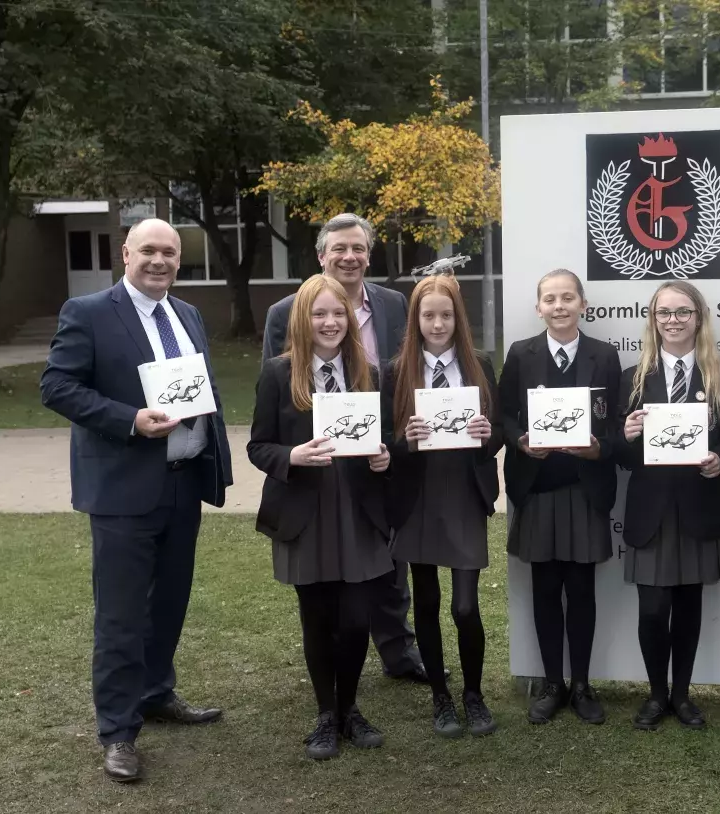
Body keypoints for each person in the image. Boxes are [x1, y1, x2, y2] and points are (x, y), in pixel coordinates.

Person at [40, 219, 233, 782]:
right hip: (124, 488)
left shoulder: (187, 313)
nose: (159, 260)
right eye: (148, 250)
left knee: (169, 602)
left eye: (169, 252)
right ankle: (119, 731)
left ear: (180, 259)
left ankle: (155, 692)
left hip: (182, 483)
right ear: (125, 254)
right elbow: (57, 385)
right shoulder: (89, 312)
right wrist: (129, 420)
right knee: (122, 614)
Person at [261, 213, 428, 684]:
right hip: (316, 469)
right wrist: (296, 454)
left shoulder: (396, 303)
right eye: (339, 249)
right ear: (321, 256)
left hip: (381, 451)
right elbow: (277, 396)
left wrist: (395, 447)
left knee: (390, 563)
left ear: (369, 255)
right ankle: (333, 674)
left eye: (357, 248)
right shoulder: (285, 312)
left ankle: (398, 651)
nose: (349, 256)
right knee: (330, 584)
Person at [247, 275, 393, 760]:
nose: (330, 323)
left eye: (338, 314)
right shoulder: (277, 373)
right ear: (302, 320)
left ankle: (351, 708)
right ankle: (327, 714)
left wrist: (384, 458)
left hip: (358, 512)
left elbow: (389, 442)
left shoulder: (370, 371)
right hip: (305, 513)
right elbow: (258, 445)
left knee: (355, 621)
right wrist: (292, 456)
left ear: (349, 320)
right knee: (318, 620)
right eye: (319, 314)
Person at [499, 269, 622, 726]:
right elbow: (504, 414)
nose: (559, 306)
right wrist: (520, 441)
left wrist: (599, 448)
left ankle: (584, 683)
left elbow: (614, 426)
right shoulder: (521, 354)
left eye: (567, 298)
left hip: (584, 489)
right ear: (538, 308)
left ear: (582, 305)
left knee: (583, 591)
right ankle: (553, 683)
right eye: (550, 299)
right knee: (546, 590)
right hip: (538, 490)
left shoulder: (604, 356)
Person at [382, 273, 502, 737]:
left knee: (465, 608)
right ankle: (441, 698)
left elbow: (497, 432)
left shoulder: (479, 366)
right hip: (418, 497)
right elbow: (383, 442)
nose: (438, 323)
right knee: (427, 603)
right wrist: (404, 440)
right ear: (416, 319)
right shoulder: (396, 371)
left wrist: (487, 435)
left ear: (459, 319)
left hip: (462, 494)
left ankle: (474, 694)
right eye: (428, 315)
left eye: (446, 315)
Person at [617, 281, 720, 731]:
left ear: (698, 317)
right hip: (650, 510)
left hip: (697, 506)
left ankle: (683, 695)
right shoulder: (632, 376)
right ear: (653, 319)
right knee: (652, 610)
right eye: (664, 312)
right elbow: (619, 452)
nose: (673, 320)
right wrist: (627, 435)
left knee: (689, 608)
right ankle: (655, 695)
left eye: (682, 312)